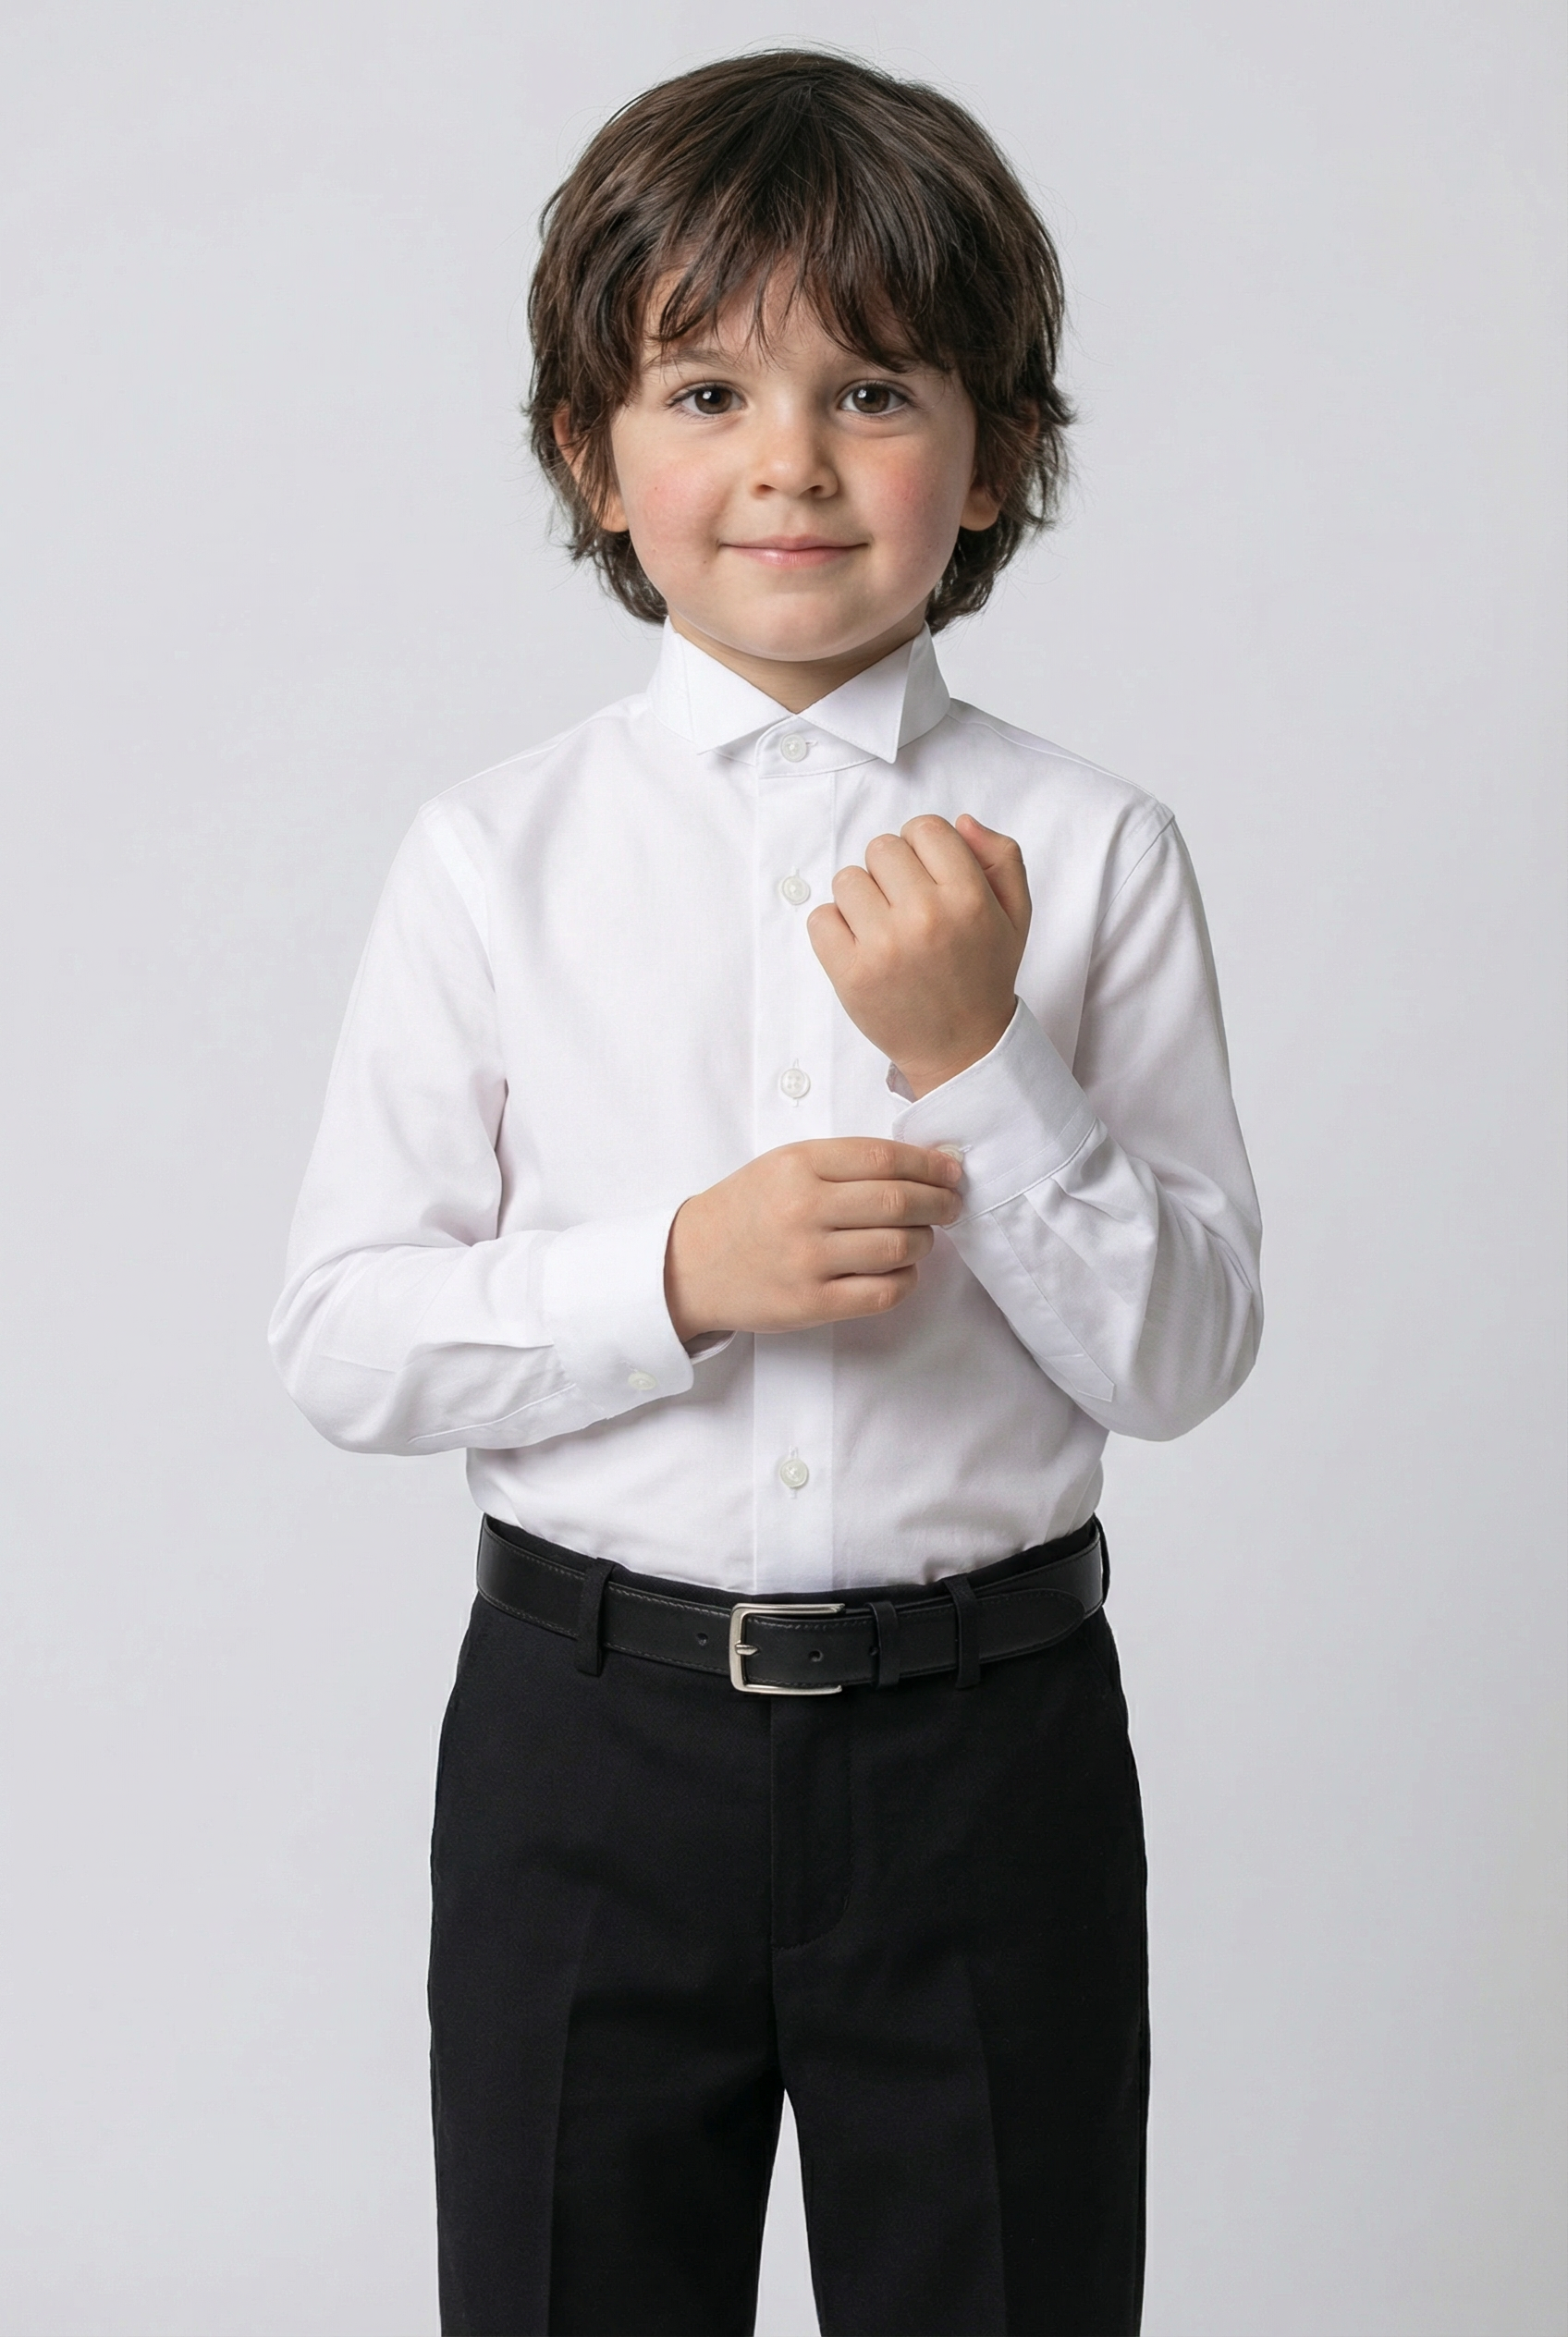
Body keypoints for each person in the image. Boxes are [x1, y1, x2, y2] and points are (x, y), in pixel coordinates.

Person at [270, 48, 1262, 2337]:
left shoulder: (1092, 850)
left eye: (872, 388)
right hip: (584, 1752)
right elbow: (339, 1333)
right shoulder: (489, 855)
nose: (788, 460)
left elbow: (1185, 1352)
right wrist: (673, 1277)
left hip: (986, 1751)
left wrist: (978, 1059)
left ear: (993, 454)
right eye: (705, 389)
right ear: (588, 454)